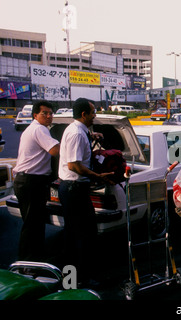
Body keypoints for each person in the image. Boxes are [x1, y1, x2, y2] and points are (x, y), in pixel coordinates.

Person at [58, 98, 114, 287]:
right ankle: (76, 281)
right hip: (74, 189)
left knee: (79, 234)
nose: (94, 116)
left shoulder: (79, 131)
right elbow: (74, 165)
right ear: (84, 114)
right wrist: (98, 176)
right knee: (80, 235)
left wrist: (92, 135)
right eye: (92, 113)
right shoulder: (76, 134)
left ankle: (73, 279)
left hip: (74, 189)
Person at [13, 100, 60, 261]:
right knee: (31, 223)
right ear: (35, 115)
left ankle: (37, 256)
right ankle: (26, 261)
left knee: (36, 221)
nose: (48, 116)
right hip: (30, 181)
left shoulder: (35, 128)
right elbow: (55, 150)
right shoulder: (39, 129)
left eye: (50, 113)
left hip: (31, 181)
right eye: (44, 113)